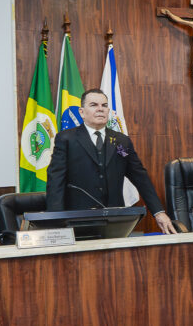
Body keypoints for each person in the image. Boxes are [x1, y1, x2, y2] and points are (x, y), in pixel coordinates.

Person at [46, 88, 177, 234]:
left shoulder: (121, 142)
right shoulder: (66, 139)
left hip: (115, 221)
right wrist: (55, 222)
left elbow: (140, 177)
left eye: (104, 105)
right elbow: (55, 181)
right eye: (94, 105)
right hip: (77, 220)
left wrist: (158, 212)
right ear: (82, 112)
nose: (100, 109)